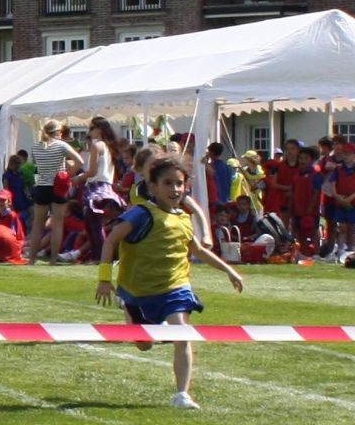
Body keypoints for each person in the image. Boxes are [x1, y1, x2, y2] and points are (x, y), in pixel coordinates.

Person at [95, 148, 244, 410]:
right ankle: (131, 314)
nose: (175, 189)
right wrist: (105, 278)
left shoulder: (184, 219)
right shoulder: (141, 214)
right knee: (143, 344)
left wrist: (229, 271)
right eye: (168, 183)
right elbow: (111, 240)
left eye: (179, 183)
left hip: (175, 287)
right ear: (152, 186)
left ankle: (182, 394)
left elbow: (198, 251)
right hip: (138, 289)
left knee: (183, 334)